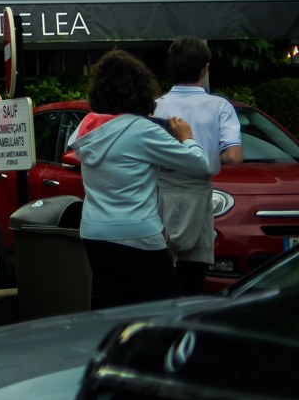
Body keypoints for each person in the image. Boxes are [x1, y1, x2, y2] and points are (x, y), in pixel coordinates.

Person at [67, 49, 211, 309]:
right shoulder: (141, 130)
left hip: (94, 233)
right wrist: (187, 137)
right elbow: (199, 165)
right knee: (166, 312)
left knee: (116, 309)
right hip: (138, 234)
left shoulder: (85, 127)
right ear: (141, 89)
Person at [154, 37, 244, 296]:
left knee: (163, 283)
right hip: (198, 198)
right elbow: (234, 157)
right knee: (193, 285)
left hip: (161, 199)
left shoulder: (156, 107)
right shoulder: (219, 107)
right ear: (205, 67)